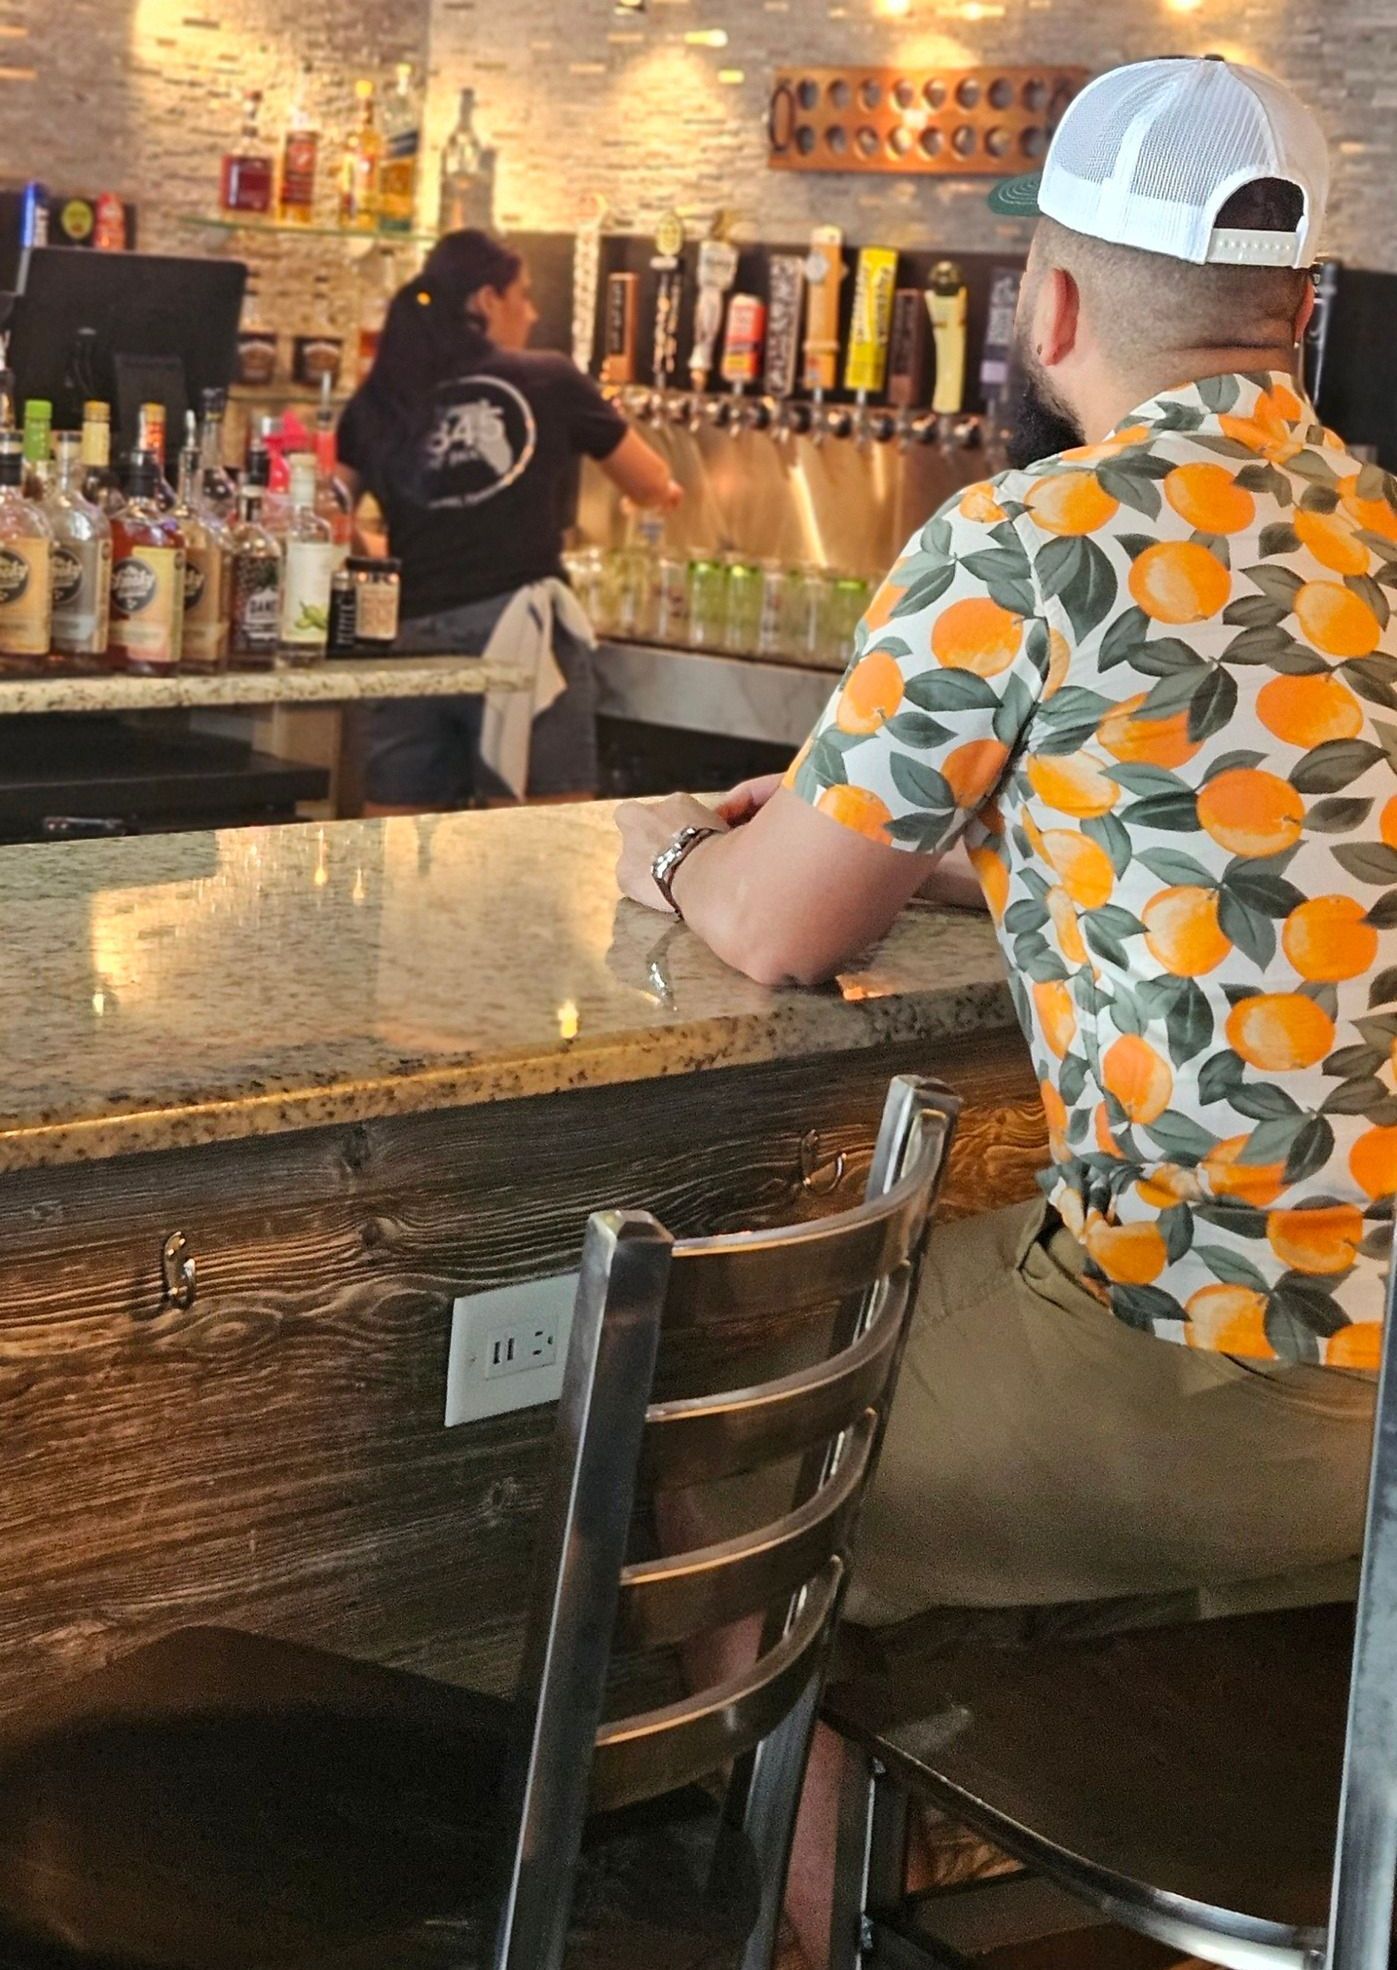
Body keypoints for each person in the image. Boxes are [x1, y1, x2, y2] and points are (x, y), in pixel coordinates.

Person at [616, 56, 1394, 1966]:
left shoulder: (1029, 539)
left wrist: (690, 860)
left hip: (1222, 1375)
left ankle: (780, 1940)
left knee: (719, 1415)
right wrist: (1012, 863)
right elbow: (1265, 828)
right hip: (1364, 1438)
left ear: (1047, 307)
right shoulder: (1375, 523)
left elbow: (779, 934)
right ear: (1295, 311)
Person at [337, 229, 681, 811]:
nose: (533, 311)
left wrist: (381, 550)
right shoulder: (548, 377)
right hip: (521, 636)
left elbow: (325, 517)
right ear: (486, 300)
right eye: (522, 295)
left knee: (391, 846)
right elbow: (652, 482)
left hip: (411, 636)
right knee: (548, 840)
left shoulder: (380, 397)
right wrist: (659, 497)